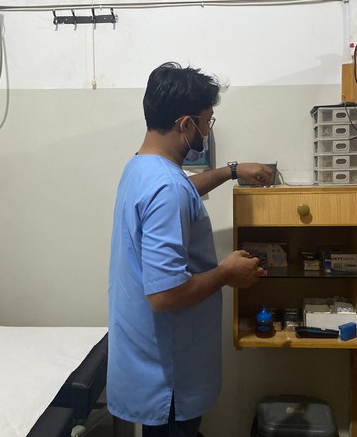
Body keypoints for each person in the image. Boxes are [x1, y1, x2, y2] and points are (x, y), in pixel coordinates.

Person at [107, 62, 274, 436]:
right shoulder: (166, 188)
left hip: (146, 359)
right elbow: (165, 295)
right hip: (169, 377)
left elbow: (180, 190)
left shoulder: (141, 168)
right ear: (186, 125)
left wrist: (231, 171)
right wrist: (227, 273)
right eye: (206, 121)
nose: (207, 130)